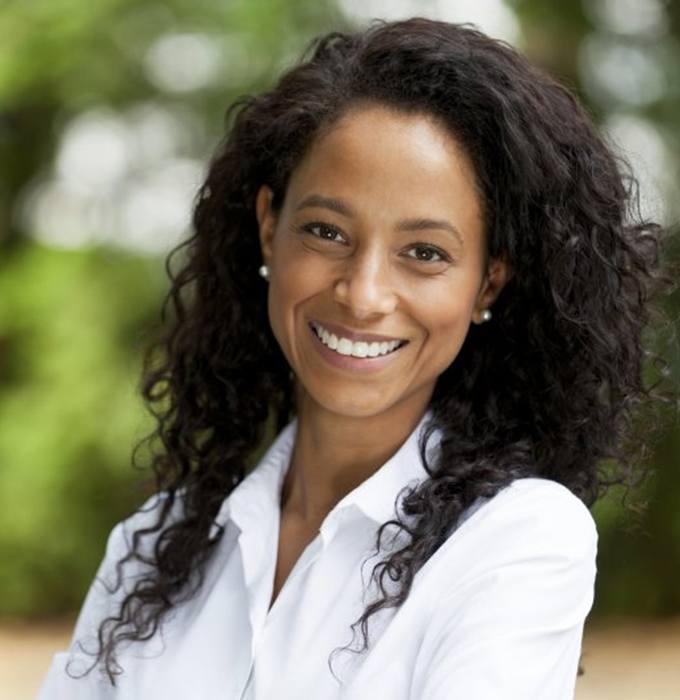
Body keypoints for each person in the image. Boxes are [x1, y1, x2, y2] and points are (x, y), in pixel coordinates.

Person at [37, 16, 672, 700]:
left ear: (487, 280)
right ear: (268, 229)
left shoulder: (516, 542)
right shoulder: (153, 547)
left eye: (424, 253)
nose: (363, 294)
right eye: (326, 232)